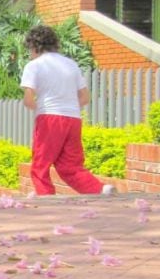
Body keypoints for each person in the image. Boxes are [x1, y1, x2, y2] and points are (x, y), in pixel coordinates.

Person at [21, 25, 113, 197]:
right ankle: (100, 189)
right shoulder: (71, 64)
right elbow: (85, 97)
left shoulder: (34, 66)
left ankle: (45, 196)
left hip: (49, 118)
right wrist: (67, 107)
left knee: (40, 163)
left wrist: (39, 108)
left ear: (34, 46)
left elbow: (28, 99)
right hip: (73, 118)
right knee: (70, 166)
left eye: (29, 49)